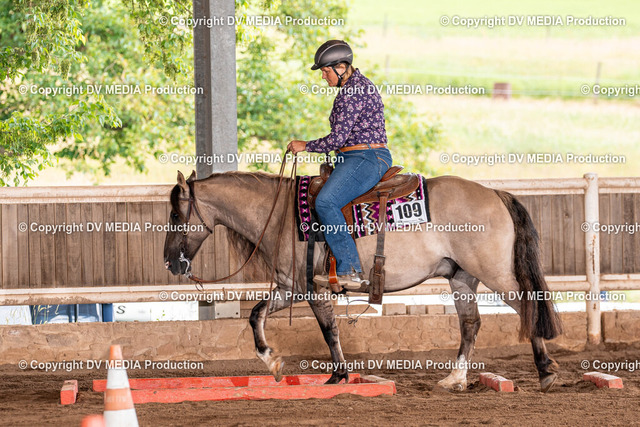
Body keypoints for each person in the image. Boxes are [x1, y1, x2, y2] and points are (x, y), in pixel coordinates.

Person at [288, 40, 393, 291]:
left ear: (341, 67)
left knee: (326, 202)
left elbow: (336, 139)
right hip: (358, 156)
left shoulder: (352, 93)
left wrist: (305, 145)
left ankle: (350, 270)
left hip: (365, 157)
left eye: (326, 71)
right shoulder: (357, 86)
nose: (323, 76)